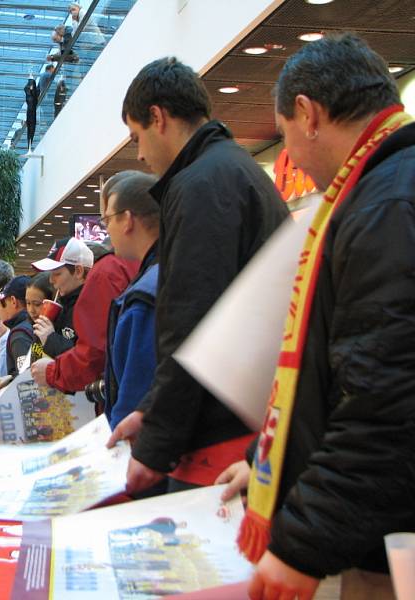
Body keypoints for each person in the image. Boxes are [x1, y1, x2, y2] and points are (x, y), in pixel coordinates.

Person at [216, 33, 415, 600]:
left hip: (388, 542)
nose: (290, 161)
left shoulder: (386, 206)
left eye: (283, 139)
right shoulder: (382, 191)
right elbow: (336, 375)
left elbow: (385, 403)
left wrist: (303, 542)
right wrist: (265, 465)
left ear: (307, 114)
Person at [108, 56, 288, 495]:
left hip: (221, 435)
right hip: (246, 416)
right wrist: (151, 411)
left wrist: (156, 444)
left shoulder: (200, 184)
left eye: (138, 136)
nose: (141, 154)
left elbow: (192, 322)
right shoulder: (233, 169)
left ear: (158, 116)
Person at [31, 233, 139, 394]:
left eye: (57, 274)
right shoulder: (61, 306)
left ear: (79, 271)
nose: (51, 281)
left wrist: (51, 339)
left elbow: (93, 359)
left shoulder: (96, 298)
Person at [100, 172, 160, 428]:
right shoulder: (177, 270)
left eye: (107, 219)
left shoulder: (145, 296)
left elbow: (135, 392)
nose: (106, 229)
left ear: (127, 220)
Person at [0, 275, 33, 387]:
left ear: (13, 301)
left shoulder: (20, 334)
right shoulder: (32, 325)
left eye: (0, 306)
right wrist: (11, 379)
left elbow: (26, 379)